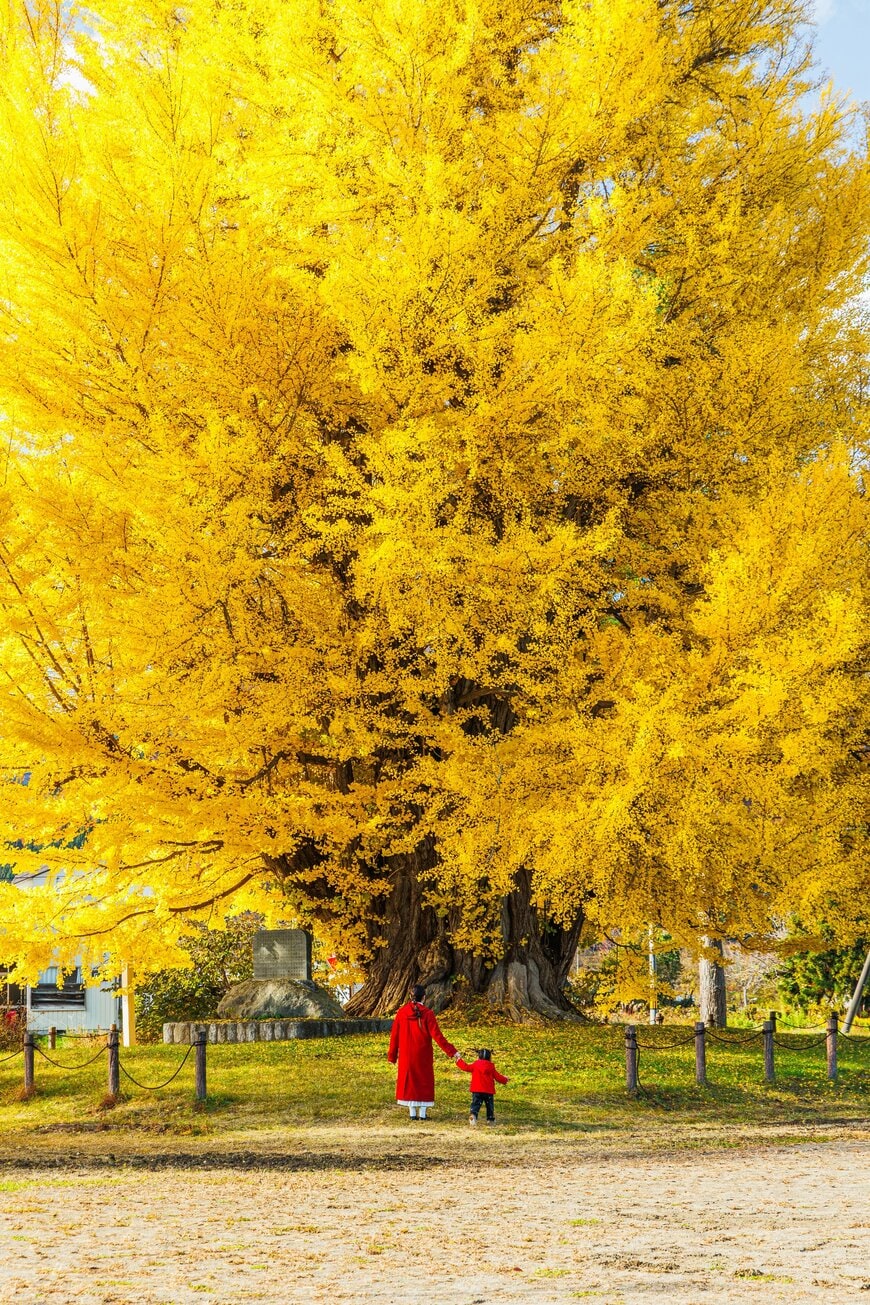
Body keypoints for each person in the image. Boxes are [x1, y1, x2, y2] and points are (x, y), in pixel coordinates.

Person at [387, 984, 459, 1120]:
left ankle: (412, 1113)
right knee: (423, 1082)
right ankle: (422, 1114)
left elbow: (394, 1036)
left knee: (409, 1082)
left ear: (410, 996)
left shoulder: (402, 1013)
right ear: (424, 997)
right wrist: (452, 1051)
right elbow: (438, 1036)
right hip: (423, 1054)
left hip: (406, 1055)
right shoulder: (428, 1014)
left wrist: (392, 1056)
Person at [455, 1047, 508, 1125]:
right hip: (488, 1091)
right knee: (489, 1106)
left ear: (479, 1056)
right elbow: (498, 1077)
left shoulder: (475, 1065)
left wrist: (459, 1060)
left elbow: (465, 1067)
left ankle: (473, 1116)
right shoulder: (491, 1067)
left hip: (477, 1090)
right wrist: (505, 1079)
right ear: (489, 1057)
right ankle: (490, 1119)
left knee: (475, 1104)